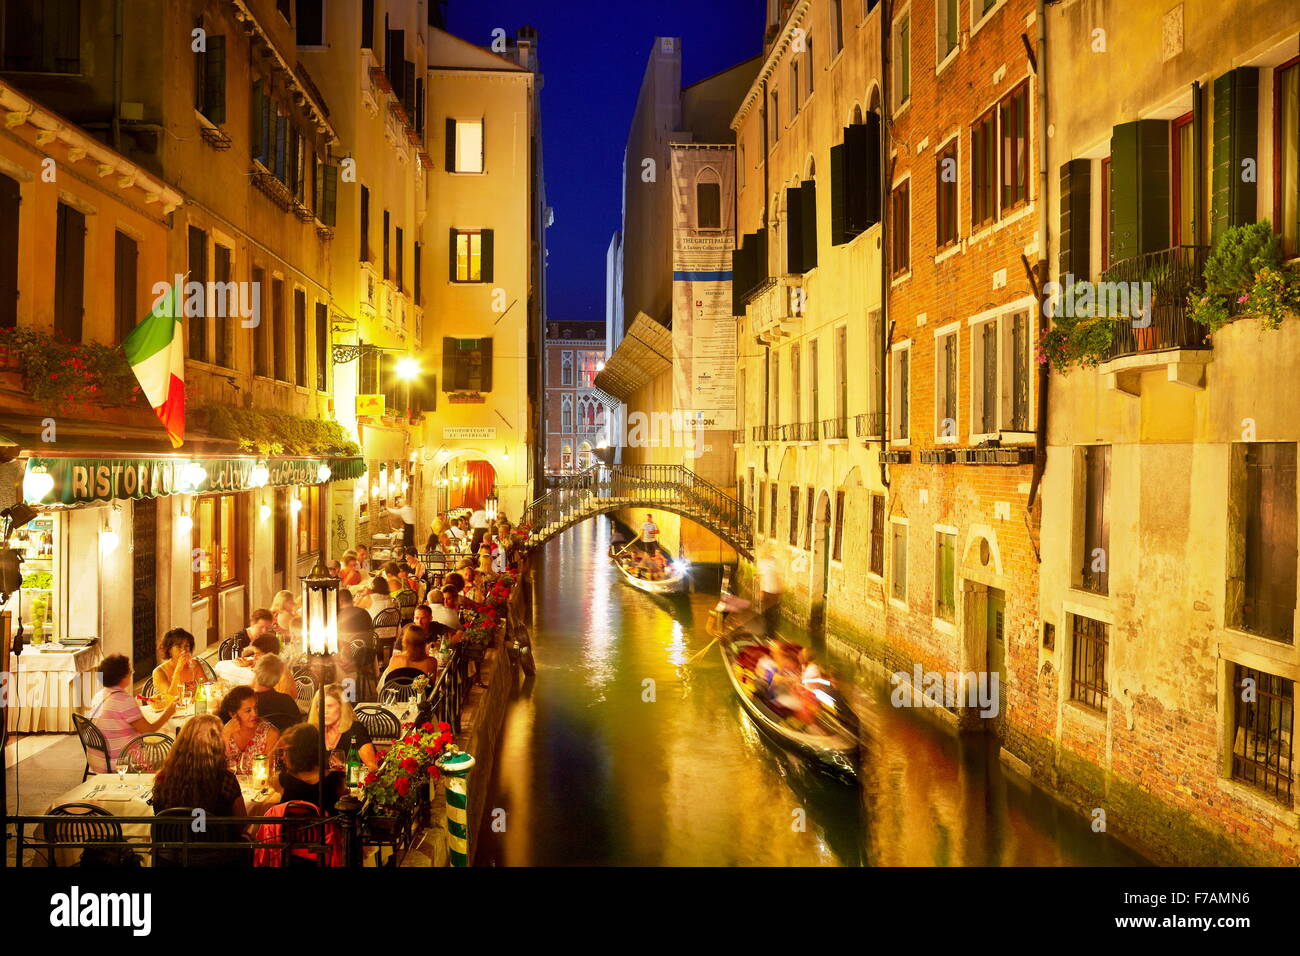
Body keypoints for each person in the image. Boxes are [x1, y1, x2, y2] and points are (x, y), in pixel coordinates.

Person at [151, 714, 250, 866]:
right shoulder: (225, 780)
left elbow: (160, 816)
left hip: (173, 858)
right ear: (217, 744)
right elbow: (241, 822)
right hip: (218, 858)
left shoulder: (163, 779)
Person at [86, 654, 177, 773]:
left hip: (96, 760)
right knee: (171, 756)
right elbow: (149, 730)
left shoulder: (98, 696)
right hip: (120, 762)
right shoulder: (123, 700)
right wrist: (168, 713)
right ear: (122, 677)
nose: (131, 673)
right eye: (129, 671)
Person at [274, 724, 346, 816]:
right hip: (325, 830)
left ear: (297, 752)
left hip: (292, 830)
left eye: (286, 751)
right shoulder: (336, 779)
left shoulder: (283, 780)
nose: (282, 757)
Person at [307, 684, 380, 772]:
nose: (324, 711)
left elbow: (373, 768)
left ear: (342, 707)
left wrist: (346, 768)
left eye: (330, 706)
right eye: (320, 706)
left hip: (352, 784)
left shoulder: (355, 729)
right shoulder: (316, 732)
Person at [220, 685, 280, 775]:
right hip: (229, 787)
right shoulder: (224, 732)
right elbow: (217, 767)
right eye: (248, 710)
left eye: (255, 708)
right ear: (233, 714)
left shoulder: (270, 734)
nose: (254, 714)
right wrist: (225, 735)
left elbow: (269, 772)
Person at [151, 628, 205, 701]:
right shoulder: (159, 672)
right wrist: (178, 671)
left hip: (190, 708)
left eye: (186, 646)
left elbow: (207, 687)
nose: (184, 650)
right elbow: (171, 697)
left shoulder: (195, 664)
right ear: (169, 649)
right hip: (168, 710)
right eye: (179, 646)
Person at [251, 654, 301, 730]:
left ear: (256, 672)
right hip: (284, 740)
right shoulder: (288, 701)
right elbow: (298, 730)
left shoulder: (247, 704)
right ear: (278, 679)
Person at [757, 547, 784, 637]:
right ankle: (767, 633)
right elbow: (761, 577)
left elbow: (779, 576)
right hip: (766, 591)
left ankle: (771, 634)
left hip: (774, 591)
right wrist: (761, 590)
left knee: (773, 614)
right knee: (765, 613)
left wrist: (780, 591)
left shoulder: (775, 562)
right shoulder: (762, 563)